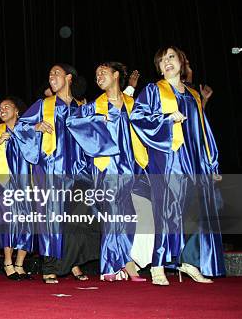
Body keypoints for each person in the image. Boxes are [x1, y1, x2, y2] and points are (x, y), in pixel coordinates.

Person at [130, 46, 224, 285]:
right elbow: (137, 118)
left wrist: (212, 165)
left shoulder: (192, 95)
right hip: (167, 159)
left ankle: (189, 261)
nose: (167, 62)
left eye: (171, 57)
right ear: (159, 68)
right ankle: (158, 264)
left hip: (193, 160)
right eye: (162, 60)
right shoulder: (154, 91)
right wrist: (166, 119)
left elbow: (204, 132)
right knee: (166, 210)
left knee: (196, 210)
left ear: (181, 62)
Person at [67, 62, 153, 282]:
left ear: (116, 75)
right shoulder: (93, 108)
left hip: (135, 166)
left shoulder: (135, 104)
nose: (98, 76)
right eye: (96, 74)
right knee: (114, 213)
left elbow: (151, 128)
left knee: (136, 215)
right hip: (107, 168)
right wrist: (96, 121)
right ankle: (121, 265)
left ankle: (119, 263)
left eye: (103, 72)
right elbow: (72, 123)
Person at [16, 64, 99, 284]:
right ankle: (51, 266)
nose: (51, 76)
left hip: (79, 170)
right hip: (51, 169)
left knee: (79, 218)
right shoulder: (44, 105)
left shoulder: (82, 106)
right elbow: (20, 128)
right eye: (50, 73)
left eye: (56, 73)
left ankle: (72, 262)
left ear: (69, 77)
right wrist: (35, 128)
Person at [0, 97, 36, 281]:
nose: (2, 110)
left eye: (7, 107)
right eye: (0, 108)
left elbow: (37, 152)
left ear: (17, 111)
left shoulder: (26, 129)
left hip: (26, 181)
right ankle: (8, 263)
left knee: (27, 222)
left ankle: (20, 264)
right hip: (3, 180)